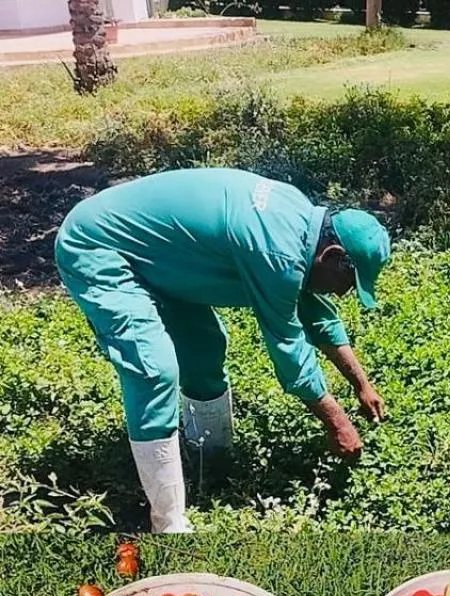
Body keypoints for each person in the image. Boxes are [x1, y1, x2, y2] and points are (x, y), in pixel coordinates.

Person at [54, 168, 392, 532]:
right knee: (154, 368)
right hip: (99, 245)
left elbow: (316, 314)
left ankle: (211, 464)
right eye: (347, 282)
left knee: (204, 347)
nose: (342, 294)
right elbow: (288, 347)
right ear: (332, 254)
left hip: (165, 258)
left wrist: (362, 384)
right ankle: (169, 525)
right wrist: (337, 422)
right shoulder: (276, 250)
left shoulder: (301, 226)